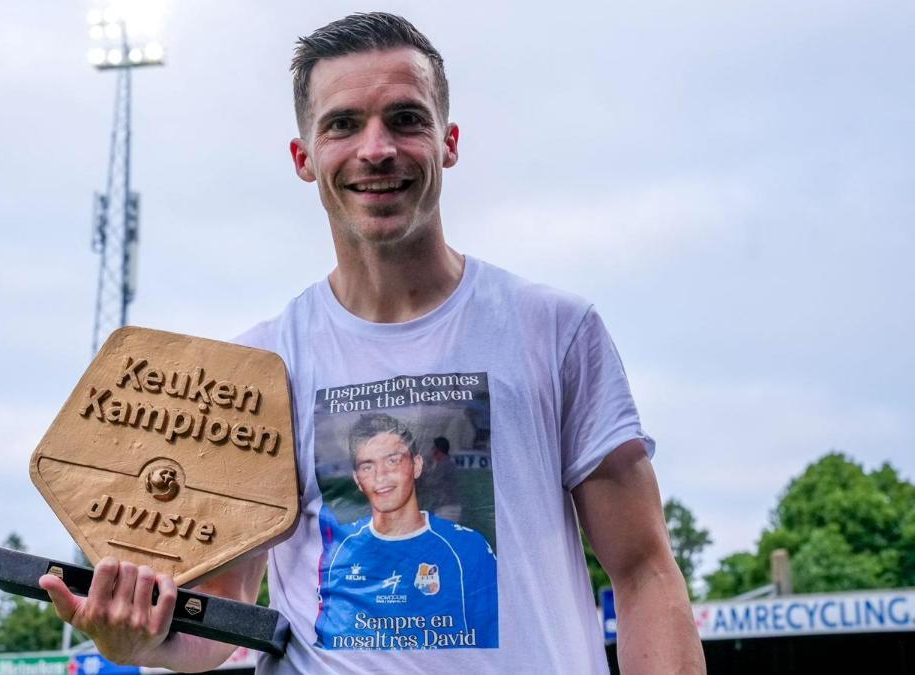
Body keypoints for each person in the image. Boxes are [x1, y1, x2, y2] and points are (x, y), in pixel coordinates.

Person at [40, 12, 705, 674]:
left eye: (406, 119)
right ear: (305, 157)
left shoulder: (554, 329)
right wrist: (137, 637)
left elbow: (645, 570)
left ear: (449, 140)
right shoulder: (258, 369)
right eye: (344, 123)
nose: (377, 148)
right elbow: (222, 614)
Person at [315, 413, 497, 649]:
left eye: (393, 460)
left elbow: (493, 645)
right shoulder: (339, 551)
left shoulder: (468, 548)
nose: (381, 476)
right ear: (357, 479)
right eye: (367, 466)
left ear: (417, 465)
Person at [419, 435, 462, 521]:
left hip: (448, 508)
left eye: (433, 448)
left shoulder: (445, 464)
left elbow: (432, 482)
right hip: (445, 507)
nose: (431, 450)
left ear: (437, 450)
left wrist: (422, 472)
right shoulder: (441, 463)